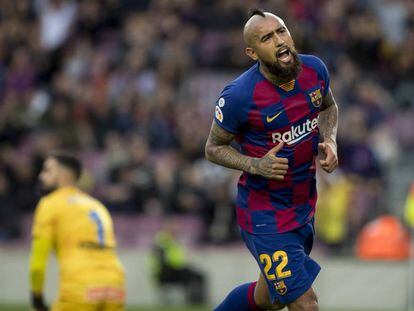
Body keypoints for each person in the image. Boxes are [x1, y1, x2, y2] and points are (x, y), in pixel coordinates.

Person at [205, 8, 338, 311]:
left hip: (304, 206)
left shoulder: (315, 70)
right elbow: (213, 148)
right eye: (267, 38)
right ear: (252, 52)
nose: (279, 41)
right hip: (265, 213)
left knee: (268, 299)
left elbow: (329, 107)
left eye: (281, 31)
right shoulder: (239, 96)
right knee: (305, 304)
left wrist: (329, 138)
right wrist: (254, 164)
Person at [29, 151, 125, 311]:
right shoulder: (97, 205)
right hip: (115, 285)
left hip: (80, 285)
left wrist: (37, 297)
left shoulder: (49, 203)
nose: (41, 176)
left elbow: (37, 264)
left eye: (47, 171)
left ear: (64, 176)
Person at [150, 218, 206, 304]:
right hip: (167, 271)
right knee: (188, 274)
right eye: (173, 227)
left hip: (177, 269)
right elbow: (162, 258)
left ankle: (197, 300)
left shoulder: (174, 239)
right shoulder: (162, 239)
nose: (176, 229)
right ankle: (192, 300)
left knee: (199, 276)